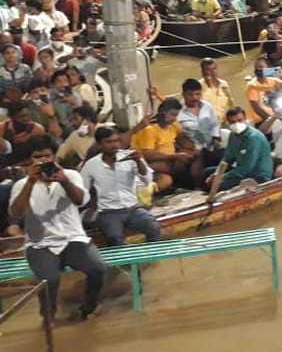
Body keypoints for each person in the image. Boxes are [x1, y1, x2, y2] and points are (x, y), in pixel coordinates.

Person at [8, 137, 107, 320]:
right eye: (38, 157)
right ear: (30, 160)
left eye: (47, 156)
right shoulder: (21, 184)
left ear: (54, 156)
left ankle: (88, 307)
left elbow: (81, 201)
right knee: (49, 280)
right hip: (40, 244)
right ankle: (48, 316)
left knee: (98, 269)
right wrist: (30, 182)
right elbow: (16, 212)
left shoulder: (70, 175)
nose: (44, 160)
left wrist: (64, 182)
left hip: (73, 239)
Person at [80, 128, 160, 246]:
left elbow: (147, 181)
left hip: (133, 209)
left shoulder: (131, 157)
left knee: (153, 226)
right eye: (109, 142)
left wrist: (139, 162)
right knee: (114, 238)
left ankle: (151, 258)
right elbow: (83, 191)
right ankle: (126, 264)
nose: (115, 145)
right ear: (99, 144)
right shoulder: (91, 165)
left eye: (116, 141)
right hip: (108, 212)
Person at [130, 98, 197, 193]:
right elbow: (147, 155)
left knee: (196, 155)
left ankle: (190, 186)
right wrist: (174, 156)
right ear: (162, 112)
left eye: (176, 115)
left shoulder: (174, 125)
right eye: (172, 115)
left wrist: (183, 137)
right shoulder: (149, 129)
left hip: (169, 161)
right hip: (149, 164)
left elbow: (189, 145)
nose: (174, 118)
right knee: (171, 173)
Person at [211, 107, 274, 191]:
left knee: (221, 185)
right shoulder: (233, 135)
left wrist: (222, 177)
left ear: (245, 119)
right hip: (241, 172)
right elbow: (227, 158)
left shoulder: (254, 138)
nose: (237, 124)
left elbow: (247, 167)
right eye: (232, 122)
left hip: (258, 175)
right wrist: (217, 174)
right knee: (207, 173)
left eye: (239, 120)